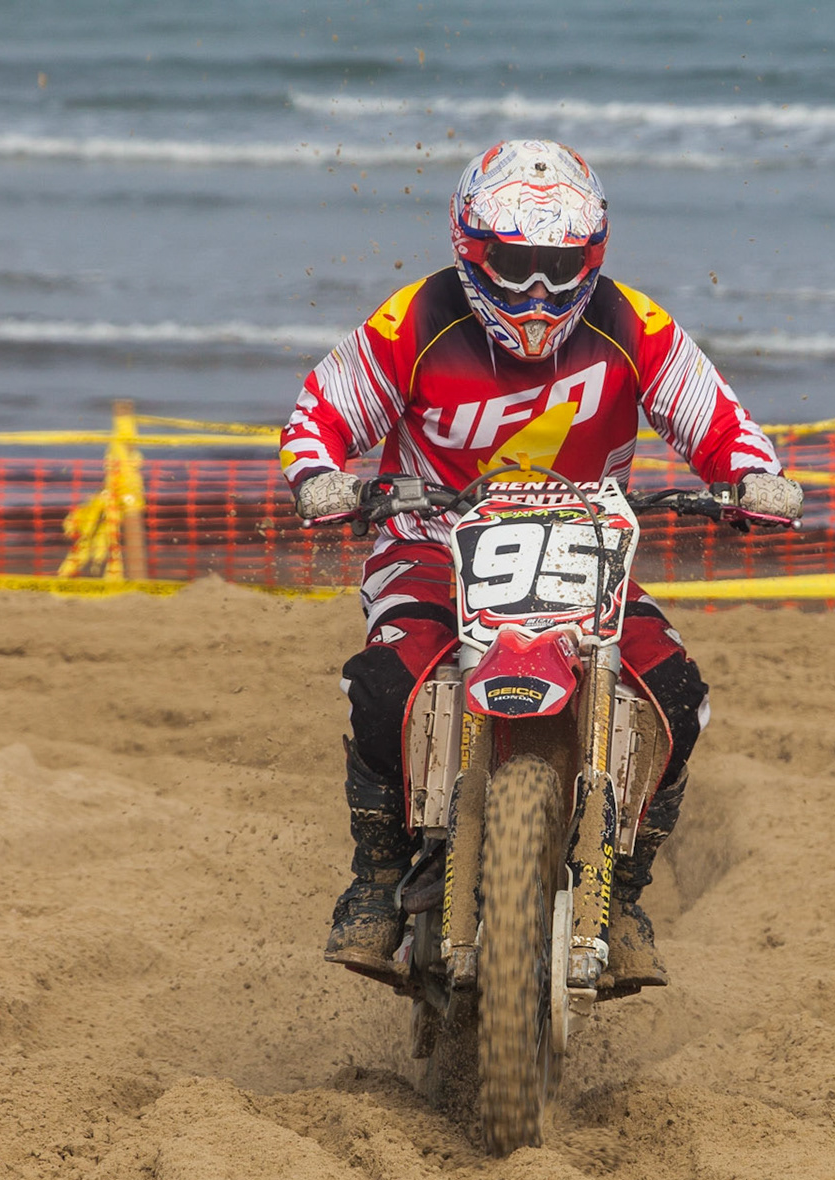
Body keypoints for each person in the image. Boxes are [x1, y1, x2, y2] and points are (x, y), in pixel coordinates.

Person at [279, 138, 802, 989]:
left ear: (590, 259)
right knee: (381, 686)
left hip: (587, 553)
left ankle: (622, 893)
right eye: (517, 265)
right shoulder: (417, 318)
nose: (536, 293)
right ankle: (376, 879)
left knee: (678, 698)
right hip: (431, 544)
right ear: (471, 247)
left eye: (559, 269)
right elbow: (323, 410)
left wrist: (750, 477)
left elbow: (715, 418)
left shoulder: (631, 324)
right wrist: (319, 476)